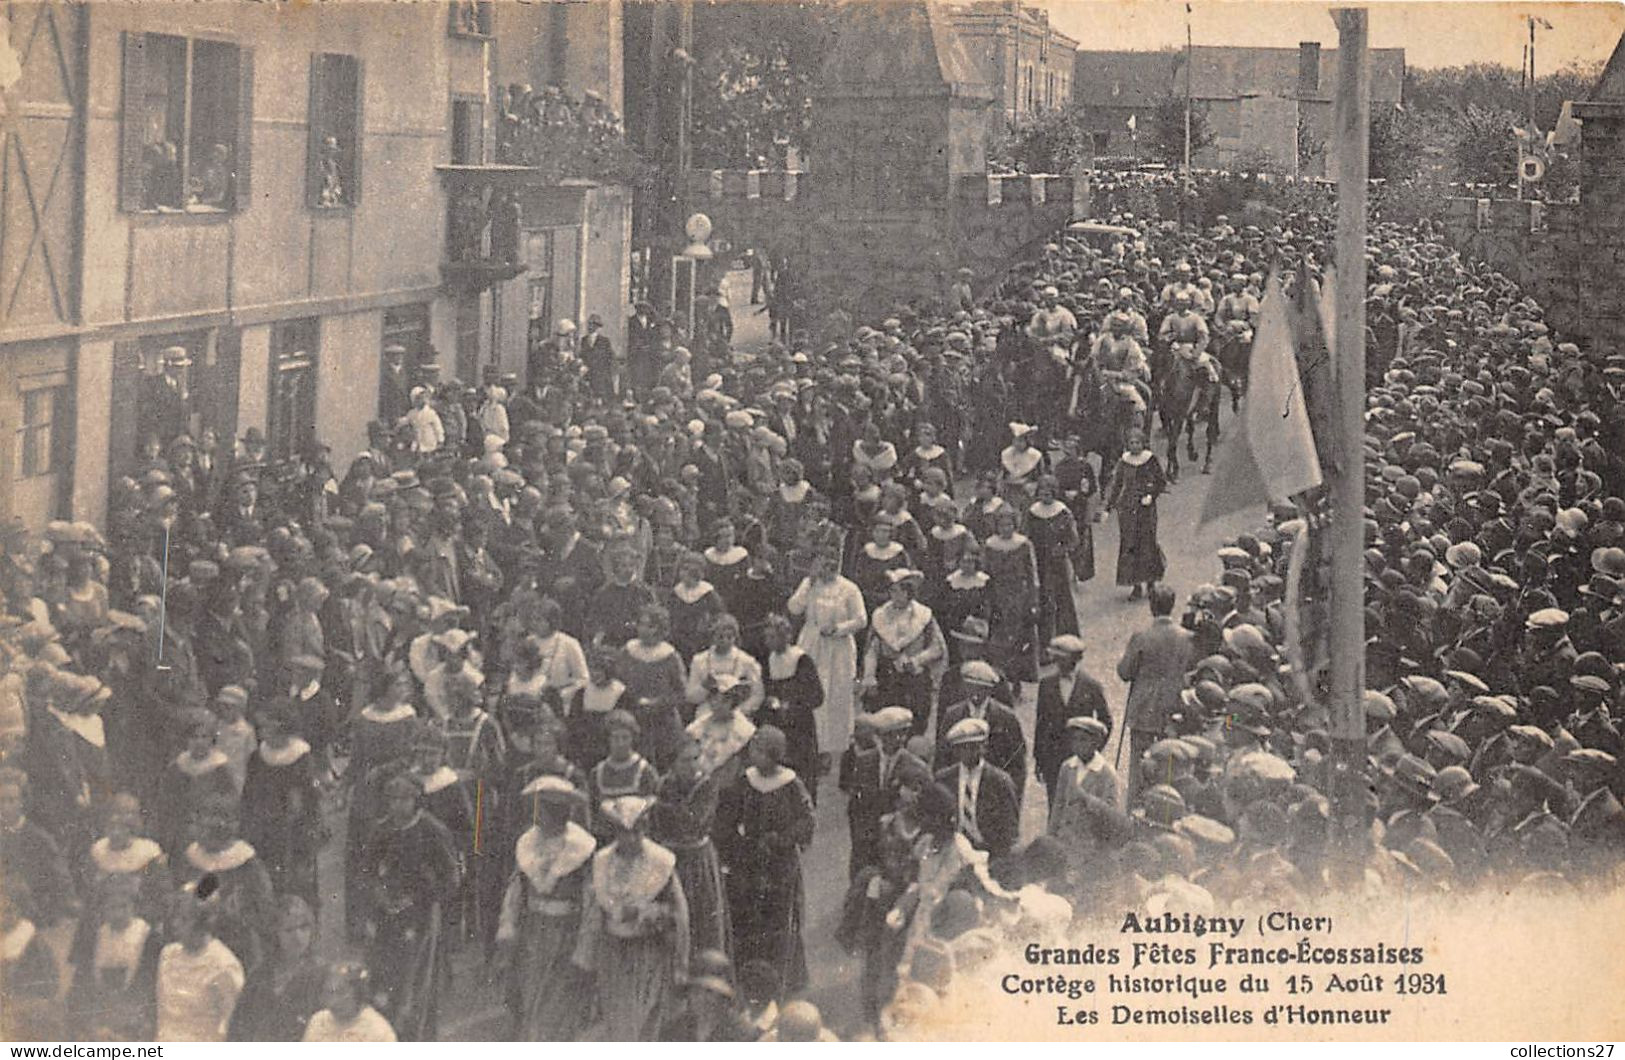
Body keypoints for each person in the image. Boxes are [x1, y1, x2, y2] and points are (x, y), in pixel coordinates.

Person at [573, 795, 690, 1041]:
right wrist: (585, 957)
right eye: (624, 832)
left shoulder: (661, 862)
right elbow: (593, 913)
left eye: (637, 831)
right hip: (612, 953)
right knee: (617, 1019)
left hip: (648, 952)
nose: (631, 839)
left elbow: (678, 915)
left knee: (645, 1017)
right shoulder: (602, 862)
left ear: (645, 829)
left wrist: (647, 913)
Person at [714, 726, 816, 996]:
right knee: (748, 916)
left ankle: (782, 979)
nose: (753, 755)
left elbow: (806, 820)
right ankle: (750, 977)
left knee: (779, 918)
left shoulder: (791, 785)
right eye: (753, 750)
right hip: (749, 861)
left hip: (780, 864)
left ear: (774, 755)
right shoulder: (745, 781)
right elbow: (727, 819)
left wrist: (782, 839)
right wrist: (737, 845)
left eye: (759, 751)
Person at [359, 773, 460, 1041]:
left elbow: (452, 876)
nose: (397, 806)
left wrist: (421, 896)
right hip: (386, 915)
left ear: (416, 800)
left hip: (420, 916)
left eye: (404, 800)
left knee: (417, 979)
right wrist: (379, 894)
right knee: (383, 975)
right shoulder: (381, 829)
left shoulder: (432, 830)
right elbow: (367, 870)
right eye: (392, 800)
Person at [494, 775, 595, 1041]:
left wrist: (584, 951)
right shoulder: (529, 842)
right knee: (529, 1003)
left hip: (565, 935)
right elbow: (516, 890)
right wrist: (508, 925)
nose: (540, 818)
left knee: (559, 1007)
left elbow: (591, 904)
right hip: (532, 934)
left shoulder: (581, 848)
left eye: (547, 811)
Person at [648, 737, 733, 960]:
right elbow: (655, 823)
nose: (693, 765)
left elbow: (692, 822)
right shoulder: (663, 785)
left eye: (696, 758)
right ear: (673, 763)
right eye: (685, 760)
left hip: (697, 860)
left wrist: (661, 808)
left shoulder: (706, 785)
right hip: (671, 859)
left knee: (703, 918)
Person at [787, 543, 866, 767]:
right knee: (812, 691)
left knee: (835, 695)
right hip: (812, 643)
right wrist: (809, 581)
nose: (829, 567)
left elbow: (861, 619)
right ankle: (810, 743)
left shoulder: (849, 588)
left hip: (838, 648)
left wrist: (840, 628)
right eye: (824, 562)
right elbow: (794, 608)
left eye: (833, 562)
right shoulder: (809, 584)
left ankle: (829, 749)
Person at [1116, 586, 1194, 804]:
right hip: (1173, 708)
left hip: (1144, 710)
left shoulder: (1142, 636)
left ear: (1152, 606)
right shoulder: (1186, 637)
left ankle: (1136, 808)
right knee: (1169, 761)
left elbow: (1125, 672)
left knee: (1140, 765)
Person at [861, 570, 947, 735]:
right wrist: (869, 676)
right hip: (887, 676)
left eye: (899, 591)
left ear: (909, 593)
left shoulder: (923, 616)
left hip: (914, 676)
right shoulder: (881, 615)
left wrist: (917, 660)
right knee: (886, 722)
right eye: (892, 591)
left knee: (914, 722)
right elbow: (872, 649)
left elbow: (937, 648)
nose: (894, 595)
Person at [155, 886, 246, 1042]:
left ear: (203, 922)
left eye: (184, 919)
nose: (176, 924)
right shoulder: (168, 955)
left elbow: (230, 1027)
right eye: (175, 917)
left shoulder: (224, 965)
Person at [228, 896, 325, 1041]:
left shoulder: (323, 975)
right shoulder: (260, 976)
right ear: (275, 933)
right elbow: (239, 1028)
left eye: (303, 927)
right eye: (289, 929)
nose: (298, 936)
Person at [937, 660, 1028, 808]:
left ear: (990, 690)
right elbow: (941, 757)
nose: (975, 693)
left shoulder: (1006, 718)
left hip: (993, 793)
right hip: (959, 790)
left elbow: (1017, 765)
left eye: (981, 688)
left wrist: (1014, 799)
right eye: (970, 686)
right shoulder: (952, 715)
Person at [1033, 634, 1112, 802]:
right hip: (1053, 759)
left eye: (1061, 659)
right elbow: (1040, 723)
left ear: (1074, 660)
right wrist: (1039, 759)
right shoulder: (1046, 685)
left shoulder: (1091, 686)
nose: (1056, 663)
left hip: (1081, 759)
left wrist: (1093, 749)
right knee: (1055, 805)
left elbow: (1106, 722)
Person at [936, 717, 1019, 862]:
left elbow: (1010, 828)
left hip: (989, 853)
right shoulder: (945, 779)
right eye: (963, 747)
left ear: (984, 747)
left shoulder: (1000, 781)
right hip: (954, 855)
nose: (969, 752)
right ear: (955, 750)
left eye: (974, 746)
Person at [758, 613, 824, 790]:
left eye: (773, 637)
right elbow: (764, 691)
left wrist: (792, 705)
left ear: (785, 636)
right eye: (767, 637)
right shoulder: (768, 661)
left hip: (800, 727)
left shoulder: (801, 659)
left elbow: (817, 696)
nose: (768, 642)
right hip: (777, 724)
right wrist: (770, 701)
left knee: (802, 775)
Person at [1107, 429, 1167, 600]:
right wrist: (1109, 506)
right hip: (1127, 508)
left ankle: (1151, 581)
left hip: (1146, 509)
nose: (1135, 446)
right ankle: (1136, 585)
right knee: (1130, 544)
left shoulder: (1150, 460)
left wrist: (1151, 495)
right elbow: (1117, 485)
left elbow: (1161, 482)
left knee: (1147, 543)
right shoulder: (1124, 462)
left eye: (1138, 443)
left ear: (1143, 443)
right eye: (1132, 443)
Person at [302, 962, 397, 1041]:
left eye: (341, 992)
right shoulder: (317, 1022)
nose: (334, 1001)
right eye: (329, 992)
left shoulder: (379, 1031)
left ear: (358, 994)